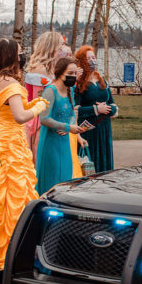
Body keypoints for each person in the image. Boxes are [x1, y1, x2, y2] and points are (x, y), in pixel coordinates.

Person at [0, 38, 47, 269]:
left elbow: (10, 110)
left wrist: (31, 102)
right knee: (13, 194)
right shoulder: (12, 84)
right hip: (10, 143)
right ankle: (9, 248)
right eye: (19, 52)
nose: (22, 55)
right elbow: (20, 117)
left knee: (3, 194)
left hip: (2, 138)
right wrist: (39, 106)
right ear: (10, 56)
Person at [36, 57, 88, 194]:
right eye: (70, 73)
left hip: (64, 142)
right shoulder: (50, 91)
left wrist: (70, 125)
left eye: (75, 74)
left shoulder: (70, 90)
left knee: (65, 177)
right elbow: (44, 118)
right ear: (60, 72)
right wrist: (66, 127)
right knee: (52, 179)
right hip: (50, 143)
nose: (73, 77)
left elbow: (71, 114)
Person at [74, 45, 119, 173]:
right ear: (82, 61)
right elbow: (75, 110)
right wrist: (95, 109)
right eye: (89, 58)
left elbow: (113, 104)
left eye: (94, 57)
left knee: (105, 160)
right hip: (88, 129)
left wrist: (110, 109)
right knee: (90, 164)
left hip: (104, 128)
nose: (93, 60)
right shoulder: (79, 83)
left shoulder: (102, 80)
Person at [25, 31, 67, 162]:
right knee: (41, 158)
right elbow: (41, 101)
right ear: (52, 47)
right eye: (60, 46)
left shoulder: (53, 69)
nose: (62, 50)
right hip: (40, 120)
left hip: (52, 118)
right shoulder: (40, 70)